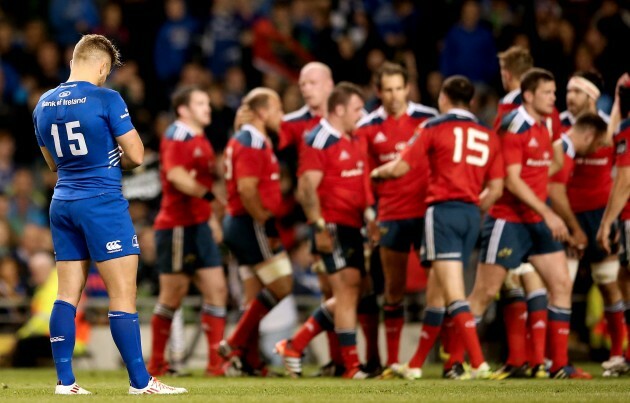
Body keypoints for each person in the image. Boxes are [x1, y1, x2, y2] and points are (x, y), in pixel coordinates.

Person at [32, 34, 186, 394]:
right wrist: (112, 158)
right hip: (101, 201)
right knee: (123, 294)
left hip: (62, 202)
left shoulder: (43, 103)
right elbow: (135, 154)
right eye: (106, 72)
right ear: (101, 66)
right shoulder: (106, 98)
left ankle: (65, 382)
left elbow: (52, 163)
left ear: (73, 61)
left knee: (67, 294)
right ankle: (139, 382)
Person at [372, 75, 503, 380]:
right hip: (471, 214)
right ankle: (416, 364)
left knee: (454, 294)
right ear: (470, 101)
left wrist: (377, 173)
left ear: (444, 98)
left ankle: (479, 362)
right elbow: (495, 188)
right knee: (438, 294)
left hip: (442, 212)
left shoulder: (433, 127)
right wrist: (472, 205)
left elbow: (401, 166)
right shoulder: (487, 134)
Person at [468, 68, 591, 379]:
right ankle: (454, 359)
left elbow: (551, 160)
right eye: (548, 92)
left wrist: (545, 176)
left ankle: (559, 365)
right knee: (484, 292)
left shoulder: (547, 122)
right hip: (507, 219)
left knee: (561, 284)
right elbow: (511, 180)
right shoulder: (514, 125)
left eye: (554, 92)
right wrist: (550, 212)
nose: (554, 97)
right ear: (528, 95)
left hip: (536, 218)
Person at [275, 82, 374, 379]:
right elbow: (306, 189)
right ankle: (351, 366)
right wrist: (318, 227)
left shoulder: (353, 137)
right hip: (331, 224)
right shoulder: (319, 139)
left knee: (356, 291)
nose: (362, 114)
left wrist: (370, 217)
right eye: (357, 109)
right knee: (346, 291)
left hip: (354, 225)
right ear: (340, 109)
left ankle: (295, 344)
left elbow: (360, 184)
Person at [356, 61, 437, 373]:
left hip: (428, 212)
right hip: (391, 215)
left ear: (408, 89)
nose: (393, 96)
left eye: (398, 88)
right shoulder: (368, 127)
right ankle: (392, 361)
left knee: (441, 286)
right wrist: (370, 214)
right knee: (393, 288)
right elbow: (364, 178)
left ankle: (452, 359)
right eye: (387, 90)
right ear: (379, 92)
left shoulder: (428, 120)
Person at [147, 85, 227, 377]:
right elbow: (176, 175)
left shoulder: (201, 139)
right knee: (172, 295)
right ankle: (156, 364)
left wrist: (212, 219)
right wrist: (208, 197)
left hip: (199, 225)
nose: (208, 107)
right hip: (177, 226)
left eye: (207, 102)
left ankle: (216, 364)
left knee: (217, 290)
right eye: (200, 102)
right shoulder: (176, 135)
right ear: (183, 109)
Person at [550, 72, 626, 376]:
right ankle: (554, 359)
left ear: (592, 97)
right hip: (567, 215)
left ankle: (618, 354)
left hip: (600, 217)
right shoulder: (558, 127)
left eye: (576, 92)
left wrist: (613, 219)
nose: (570, 97)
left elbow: (622, 175)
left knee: (609, 285)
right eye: (567, 91)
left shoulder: (612, 127)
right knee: (560, 286)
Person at [219, 87, 294, 376]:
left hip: (239, 223)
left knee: (252, 298)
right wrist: (264, 219)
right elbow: (247, 189)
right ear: (263, 112)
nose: (282, 116)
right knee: (283, 284)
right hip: (250, 223)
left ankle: (250, 363)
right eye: (277, 109)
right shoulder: (251, 139)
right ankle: (235, 342)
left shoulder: (251, 137)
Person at [597, 74, 630, 377]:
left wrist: (607, 221)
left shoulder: (627, 131)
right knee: (623, 277)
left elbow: (624, 181)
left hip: (629, 214)